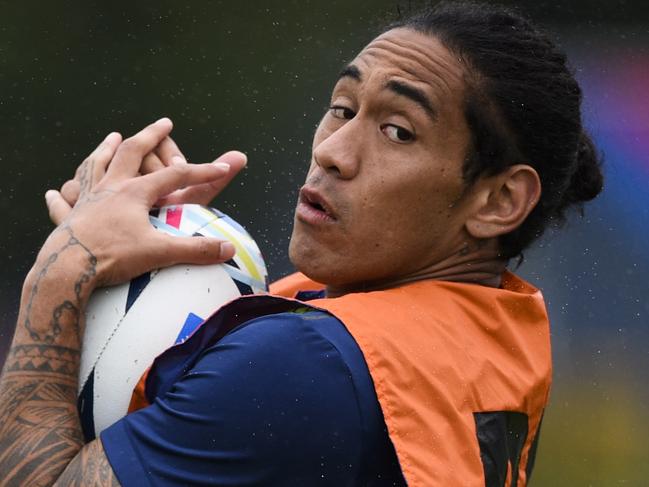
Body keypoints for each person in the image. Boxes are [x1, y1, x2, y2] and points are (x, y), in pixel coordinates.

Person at [0, 2, 603, 486]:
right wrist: (180, 263)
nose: (331, 153)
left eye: (399, 131)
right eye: (342, 108)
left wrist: (59, 275)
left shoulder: (304, 365)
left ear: (499, 202)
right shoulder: (491, 329)